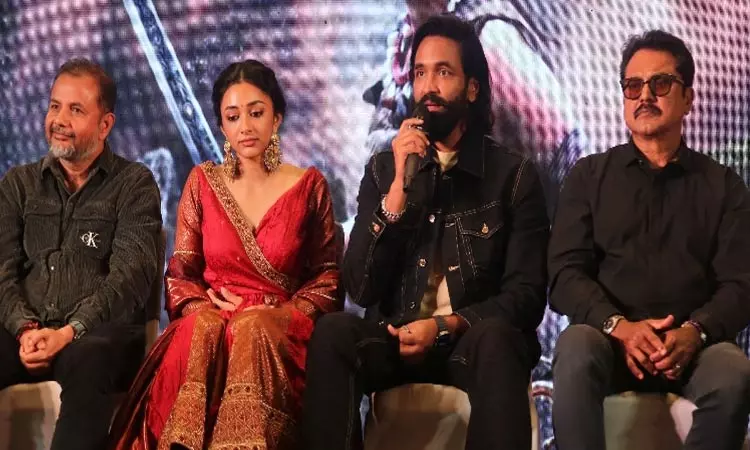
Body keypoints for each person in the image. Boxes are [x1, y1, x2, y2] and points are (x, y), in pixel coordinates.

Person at [304, 15, 549, 450]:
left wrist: (446, 326)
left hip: (468, 343)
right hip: (396, 338)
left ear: (472, 88)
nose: (428, 87)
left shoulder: (512, 176)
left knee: (498, 339)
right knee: (333, 334)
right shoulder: (384, 171)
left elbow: (526, 297)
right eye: (419, 73)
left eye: (443, 72)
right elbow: (360, 286)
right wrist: (399, 189)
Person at [108, 59, 341, 450]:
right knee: (202, 329)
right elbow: (181, 274)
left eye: (256, 113)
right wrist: (203, 307)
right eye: (233, 117)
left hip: (277, 326)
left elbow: (328, 277)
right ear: (221, 127)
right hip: (211, 320)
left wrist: (281, 313)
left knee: (251, 329)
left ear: (277, 118)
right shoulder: (202, 183)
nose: (245, 127)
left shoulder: (309, 186)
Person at [549, 30, 750, 450]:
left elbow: (740, 284)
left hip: (693, 348)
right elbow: (564, 275)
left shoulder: (724, 187)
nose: (644, 96)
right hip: (609, 341)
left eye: (660, 84)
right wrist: (619, 327)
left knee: (732, 371)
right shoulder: (589, 177)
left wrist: (696, 330)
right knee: (575, 346)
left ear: (688, 98)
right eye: (633, 85)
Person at [0, 58, 162, 450]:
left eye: (75, 110)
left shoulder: (134, 185)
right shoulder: (19, 184)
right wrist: (25, 329)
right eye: (54, 106)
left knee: (93, 356)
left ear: (105, 125)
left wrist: (70, 331)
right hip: (27, 332)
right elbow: (2, 271)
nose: (59, 119)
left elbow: (130, 278)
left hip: (95, 338)